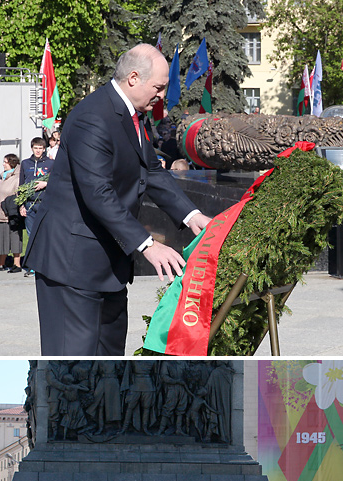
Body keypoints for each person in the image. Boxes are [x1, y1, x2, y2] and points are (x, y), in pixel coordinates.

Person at [24, 44, 210, 354]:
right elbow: (98, 193)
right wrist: (148, 245)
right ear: (134, 78)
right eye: (159, 87)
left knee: (109, 370)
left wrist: (193, 217)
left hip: (107, 268)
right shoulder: (92, 116)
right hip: (72, 266)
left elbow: (151, 170)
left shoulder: (132, 116)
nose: (163, 95)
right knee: (74, 374)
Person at [0, 153, 22, 272]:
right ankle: (1, 262)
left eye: (5, 162)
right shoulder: (3, 176)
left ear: (11, 163)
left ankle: (17, 263)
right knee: (1, 237)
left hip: (10, 212)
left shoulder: (17, 178)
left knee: (14, 237)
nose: (3, 164)